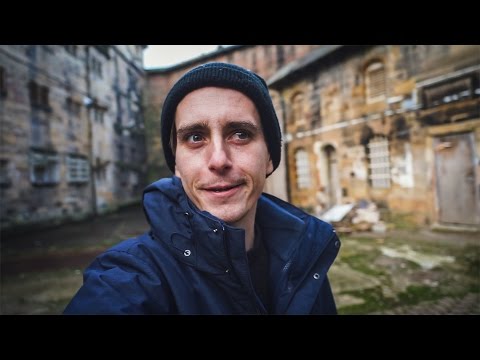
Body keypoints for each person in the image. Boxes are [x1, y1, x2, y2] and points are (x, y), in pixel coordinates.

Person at [64, 62, 341, 314]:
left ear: (269, 156)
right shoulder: (130, 281)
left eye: (240, 134)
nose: (219, 160)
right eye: (195, 137)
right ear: (176, 165)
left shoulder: (305, 259)